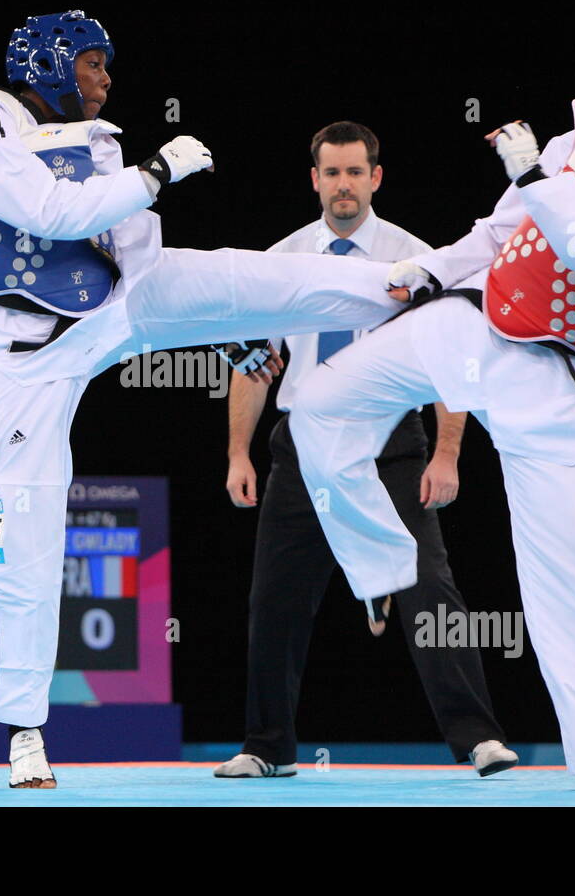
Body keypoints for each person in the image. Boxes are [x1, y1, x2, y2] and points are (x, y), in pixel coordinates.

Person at [0, 10, 406, 788]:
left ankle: (416, 285)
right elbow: (53, 214)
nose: (105, 79)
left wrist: (223, 327)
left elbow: (137, 256)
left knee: (248, 278)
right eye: (91, 63)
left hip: (114, 307)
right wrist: (157, 170)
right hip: (20, 356)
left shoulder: (102, 141)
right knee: (31, 523)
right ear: (50, 64)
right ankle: (24, 733)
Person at [286, 24, 575, 792]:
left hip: (568, 390)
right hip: (478, 327)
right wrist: (427, 272)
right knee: (320, 405)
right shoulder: (574, 144)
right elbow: (497, 233)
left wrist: (536, 176)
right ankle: (382, 566)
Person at [214, 121, 517, 779]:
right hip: (302, 449)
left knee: (432, 591)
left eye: (356, 172)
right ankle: (267, 746)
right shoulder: (282, 259)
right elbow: (251, 361)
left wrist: (447, 454)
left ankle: (478, 738)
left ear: (375, 178)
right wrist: (239, 452)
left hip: (391, 449)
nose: (344, 184)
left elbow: (451, 358)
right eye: (332, 172)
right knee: (275, 599)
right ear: (315, 178)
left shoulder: (417, 257)